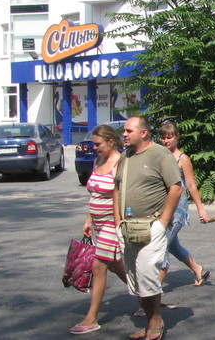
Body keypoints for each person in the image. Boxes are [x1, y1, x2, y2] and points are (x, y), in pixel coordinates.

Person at [113, 116, 183, 340]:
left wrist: (162, 223)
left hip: (151, 226)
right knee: (134, 277)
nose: (124, 134)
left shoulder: (160, 154)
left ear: (143, 133)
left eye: (129, 130)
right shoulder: (125, 156)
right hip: (127, 227)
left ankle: (155, 320)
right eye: (124, 130)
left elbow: (176, 188)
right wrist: (117, 221)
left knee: (147, 274)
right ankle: (149, 319)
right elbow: (116, 189)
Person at [69, 124, 128, 335]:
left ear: (111, 141)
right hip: (98, 223)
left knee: (98, 267)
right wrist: (88, 219)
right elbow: (93, 195)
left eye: (98, 144)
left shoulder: (121, 162)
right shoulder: (98, 161)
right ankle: (145, 294)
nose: (94, 148)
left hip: (113, 223)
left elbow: (122, 194)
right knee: (114, 265)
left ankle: (91, 318)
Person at [156, 121, 210, 286]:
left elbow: (191, 185)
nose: (166, 141)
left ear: (177, 136)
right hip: (162, 205)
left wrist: (201, 208)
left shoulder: (182, 159)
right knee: (172, 245)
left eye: (170, 137)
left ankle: (152, 293)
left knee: (162, 244)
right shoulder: (159, 156)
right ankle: (197, 268)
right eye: (163, 138)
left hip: (178, 207)